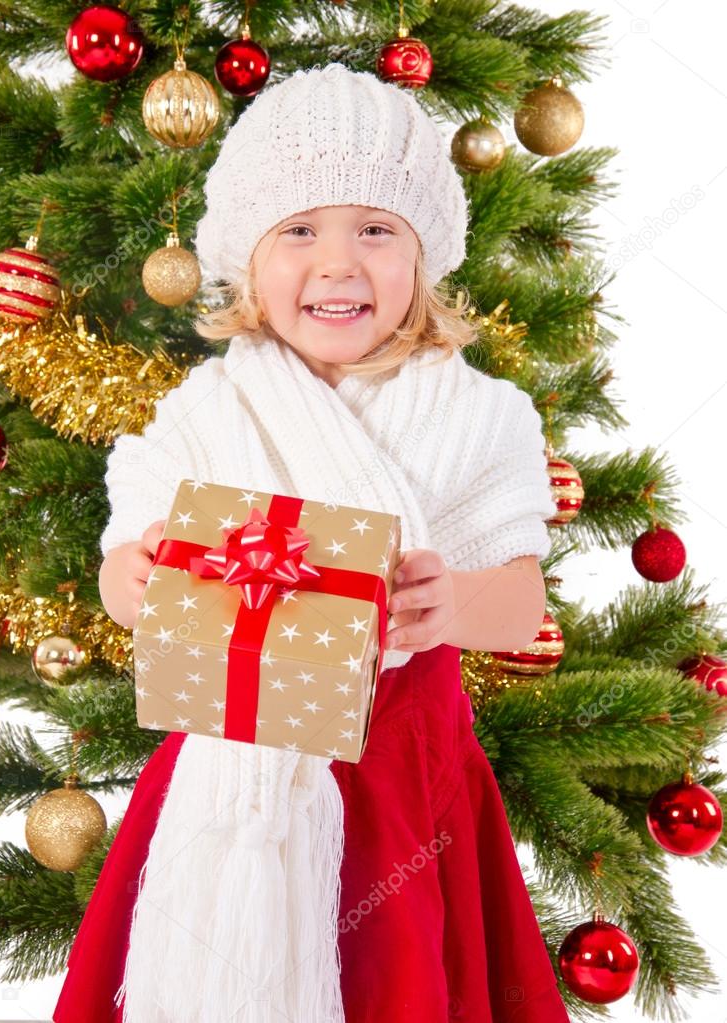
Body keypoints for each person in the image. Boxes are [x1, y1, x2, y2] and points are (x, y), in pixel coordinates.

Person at [54, 62, 570, 1023]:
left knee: (396, 977)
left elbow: (524, 602)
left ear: (423, 257)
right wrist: (135, 573)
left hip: (402, 773)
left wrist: (453, 599)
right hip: (226, 771)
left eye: (376, 231)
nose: (338, 265)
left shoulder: (477, 415)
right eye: (299, 232)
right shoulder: (209, 410)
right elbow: (129, 569)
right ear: (250, 261)